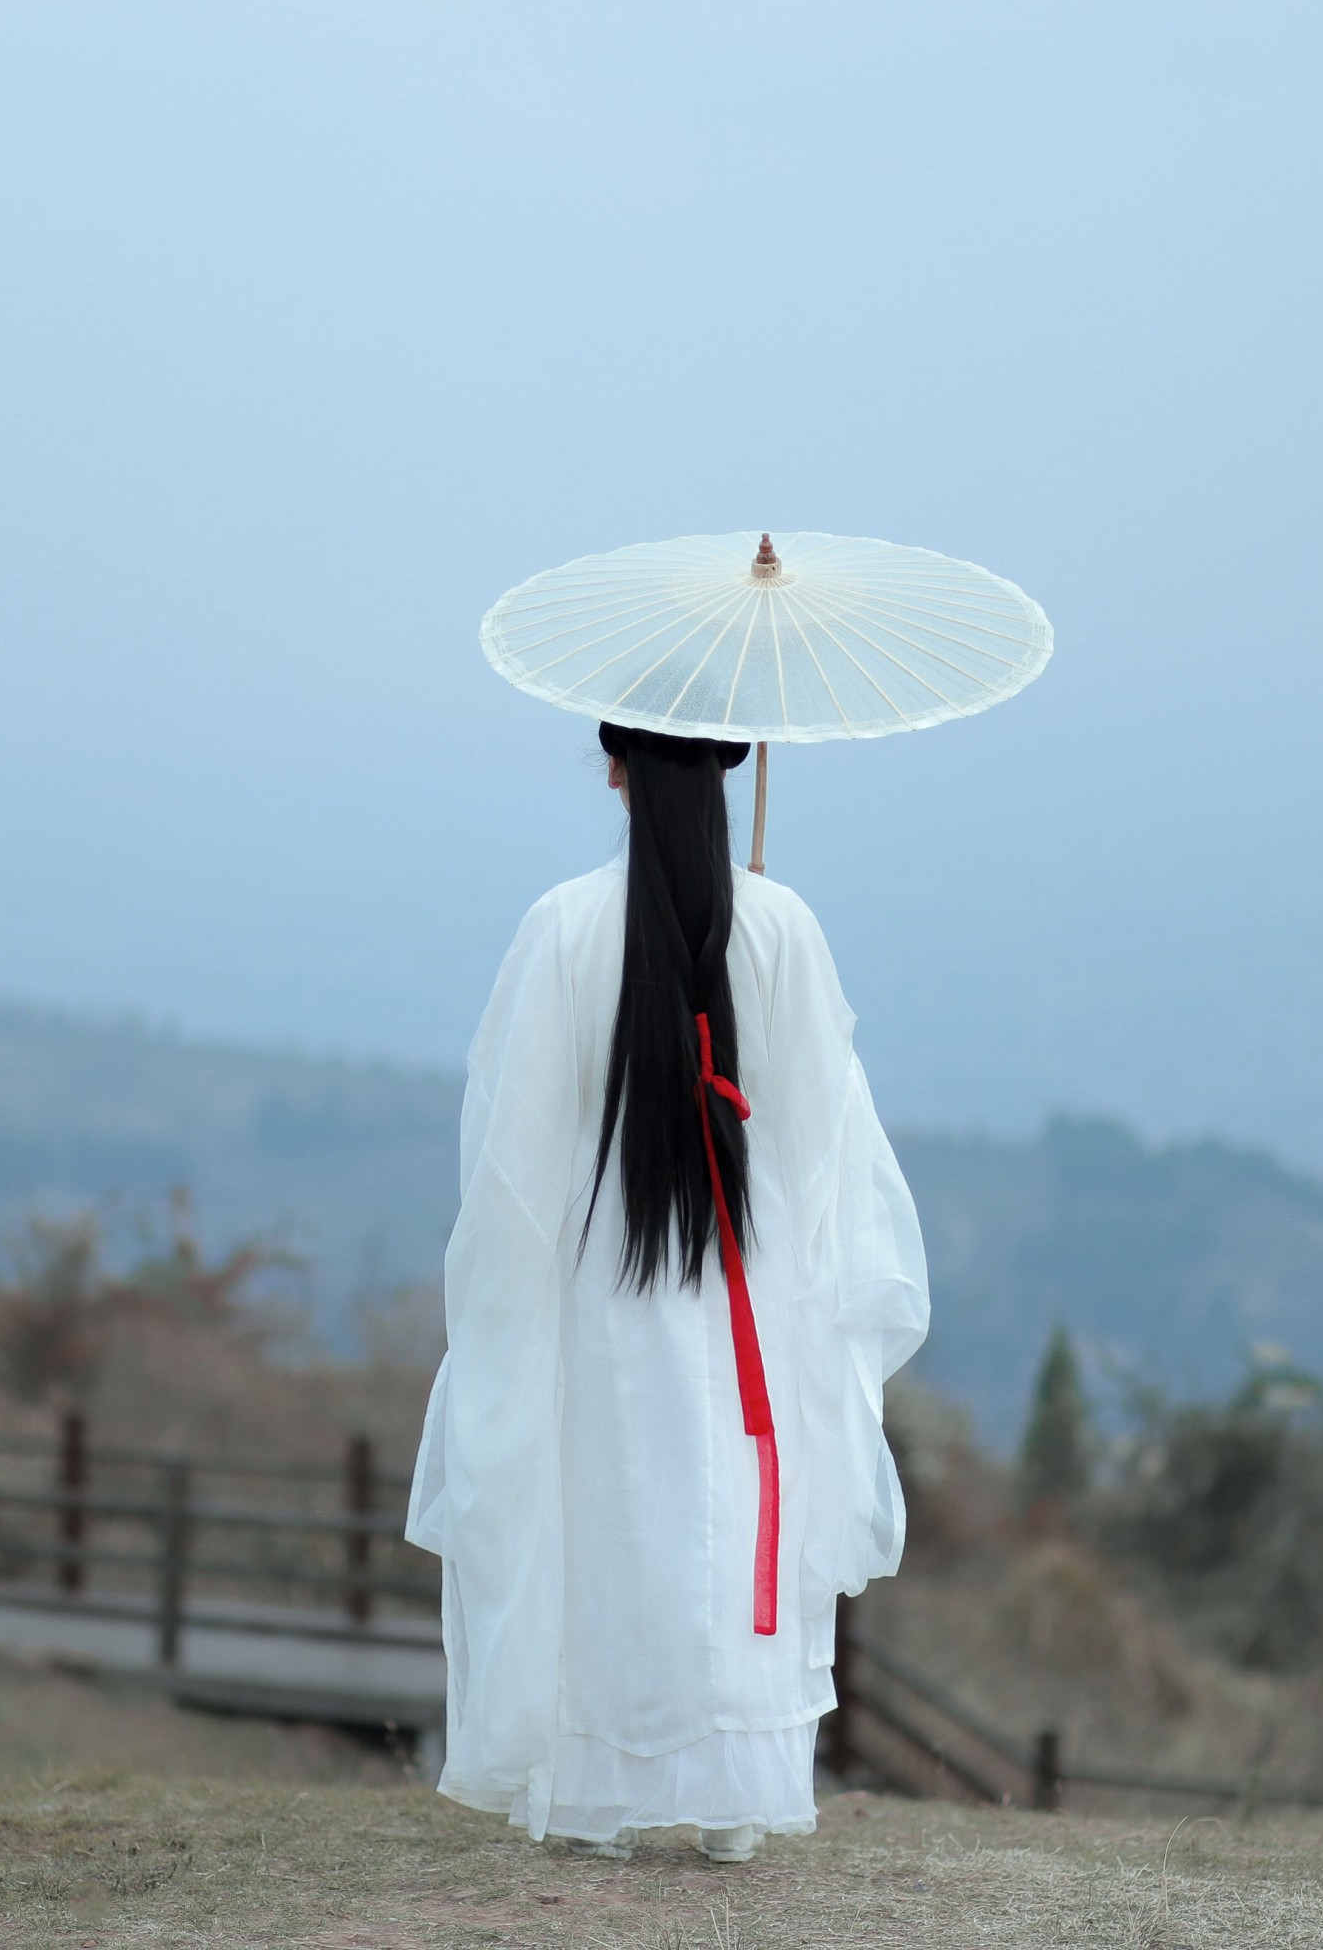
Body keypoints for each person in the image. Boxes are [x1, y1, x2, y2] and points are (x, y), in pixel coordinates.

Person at [404, 722, 931, 1861]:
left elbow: (513, 1149)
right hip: (756, 1276)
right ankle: (738, 1795)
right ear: (730, 768)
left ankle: (599, 1788)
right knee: (742, 1513)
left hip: (607, 1273)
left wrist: (514, 1293)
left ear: (615, 767)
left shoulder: (561, 926)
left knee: (612, 1511)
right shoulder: (782, 924)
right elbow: (823, 1134)